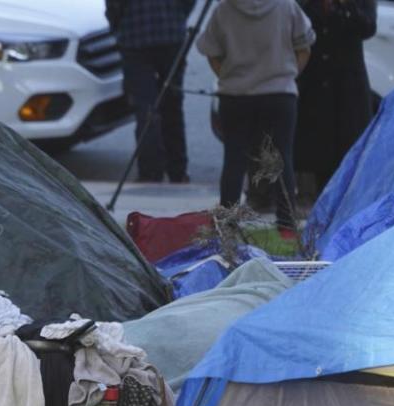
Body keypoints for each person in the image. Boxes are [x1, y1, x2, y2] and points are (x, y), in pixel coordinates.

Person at [197, 0, 315, 238]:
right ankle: (286, 226)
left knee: (234, 161)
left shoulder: (224, 9)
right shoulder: (287, 6)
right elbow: (305, 47)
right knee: (283, 158)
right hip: (280, 94)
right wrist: (289, 74)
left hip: (236, 95)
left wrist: (227, 76)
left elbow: (210, 51)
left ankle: (228, 226)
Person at [294, 0, 376, 205]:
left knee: (347, 145)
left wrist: (343, 6)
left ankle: (342, 201)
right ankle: (311, 197)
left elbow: (367, 26)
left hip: (346, 83)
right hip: (314, 80)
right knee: (314, 147)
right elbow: (296, 24)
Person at [105, 0, 196, 183]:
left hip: (135, 36)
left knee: (146, 109)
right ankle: (177, 170)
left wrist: (117, 26)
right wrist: (177, 18)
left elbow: (114, 6)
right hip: (171, 34)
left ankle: (150, 171)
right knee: (172, 105)